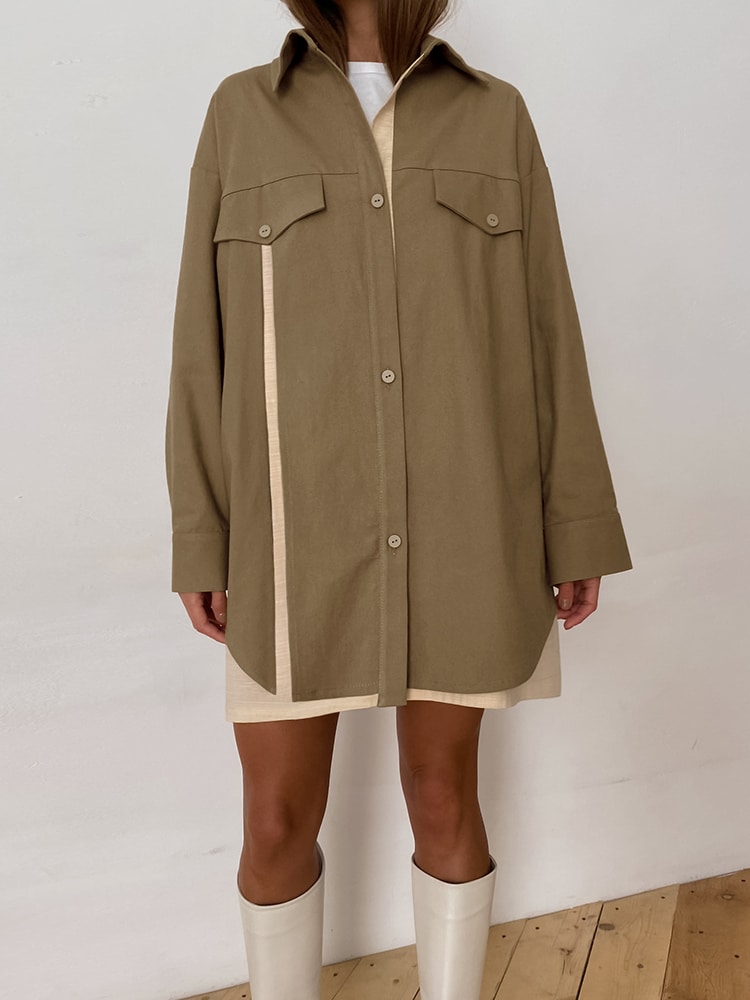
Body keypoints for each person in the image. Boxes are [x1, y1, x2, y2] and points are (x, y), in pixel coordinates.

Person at [164, 1, 634, 997]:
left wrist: (576, 523)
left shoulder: (496, 117)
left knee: (443, 794)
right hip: (293, 537)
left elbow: (549, 328)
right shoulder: (241, 114)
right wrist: (202, 535)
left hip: (467, 524)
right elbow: (200, 343)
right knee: (274, 821)